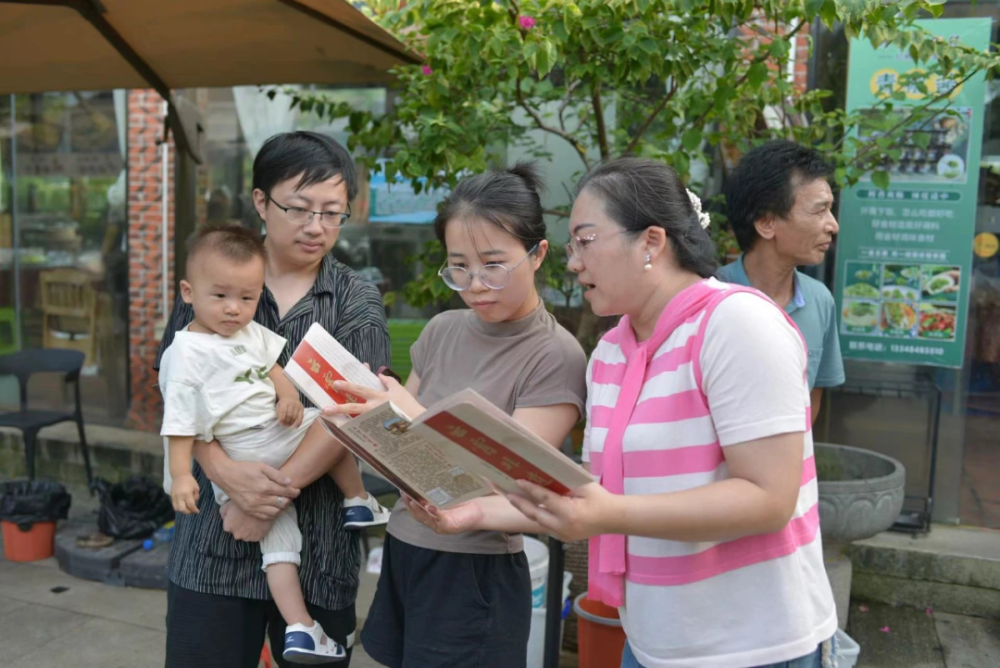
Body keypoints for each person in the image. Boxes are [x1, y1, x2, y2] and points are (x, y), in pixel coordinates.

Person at [406, 158, 838, 668]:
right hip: (653, 640)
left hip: (754, 644)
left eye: (586, 241)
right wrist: (474, 514)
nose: (573, 263)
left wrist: (607, 513)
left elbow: (769, 498)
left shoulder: (738, 324)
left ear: (651, 242)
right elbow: (588, 492)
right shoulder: (611, 353)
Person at [325, 163, 588, 668]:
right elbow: (402, 454)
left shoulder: (555, 355)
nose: (475, 284)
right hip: (406, 544)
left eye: (493, 264)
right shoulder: (442, 329)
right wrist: (364, 424)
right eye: (458, 267)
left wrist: (402, 409)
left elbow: (506, 481)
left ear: (538, 254)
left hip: (475, 571)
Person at [155, 131, 391, 668]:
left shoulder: (355, 300)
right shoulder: (213, 277)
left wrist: (265, 499)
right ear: (261, 201)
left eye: (332, 213)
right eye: (300, 208)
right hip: (213, 548)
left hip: (318, 549)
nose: (316, 226)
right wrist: (223, 473)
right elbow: (175, 390)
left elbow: (355, 413)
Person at [718, 140, 845, 421]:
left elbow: (812, 399)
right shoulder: (706, 297)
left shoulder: (820, 299)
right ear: (766, 223)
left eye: (830, 210)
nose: (833, 225)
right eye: (819, 210)